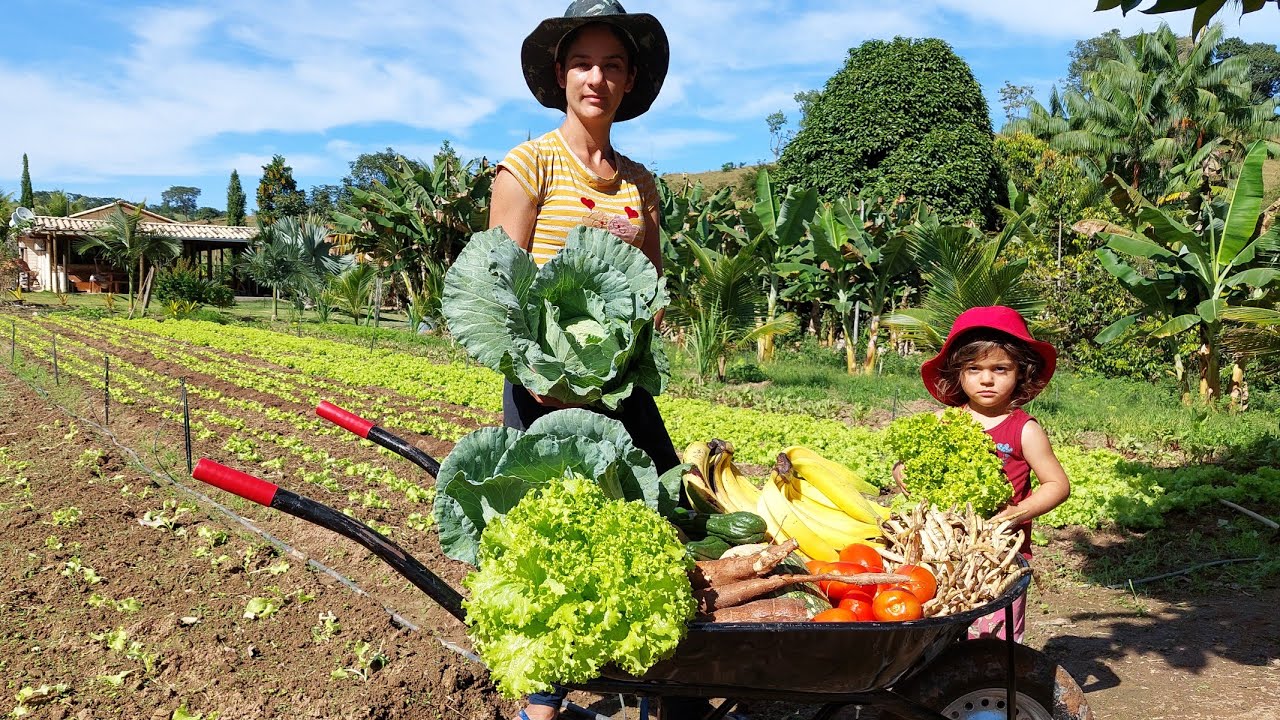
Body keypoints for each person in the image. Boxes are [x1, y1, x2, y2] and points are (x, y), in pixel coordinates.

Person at [488, 3, 713, 719]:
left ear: (630, 81)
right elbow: (500, 288)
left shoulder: (639, 182)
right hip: (546, 391)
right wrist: (548, 381)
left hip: (619, 389)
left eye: (613, 65)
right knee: (548, 541)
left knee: (664, 517)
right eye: (584, 62)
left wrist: (627, 351)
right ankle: (542, 701)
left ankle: (667, 686)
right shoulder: (528, 166)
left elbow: (649, 288)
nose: (597, 77)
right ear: (560, 74)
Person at [902, 305, 1071, 642]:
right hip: (944, 552)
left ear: (1020, 373)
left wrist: (1014, 514)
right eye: (974, 369)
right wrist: (908, 478)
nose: (987, 379)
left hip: (1000, 556)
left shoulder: (1023, 429)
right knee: (942, 629)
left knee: (995, 637)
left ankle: (991, 688)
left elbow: (1057, 485)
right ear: (958, 374)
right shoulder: (943, 422)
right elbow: (905, 469)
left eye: (1000, 369)